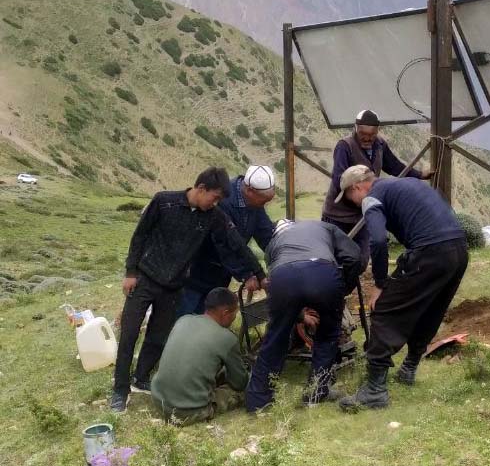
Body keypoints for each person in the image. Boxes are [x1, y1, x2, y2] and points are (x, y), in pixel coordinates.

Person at [110, 167, 263, 413]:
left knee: (158, 336)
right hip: (145, 279)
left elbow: (236, 245)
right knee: (129, 334)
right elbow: (139, 235)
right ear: (201, 189)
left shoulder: (213, 216)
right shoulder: (164, 201)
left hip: (174, 286)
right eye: (214, 197)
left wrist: (259, 274)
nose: (215, 204)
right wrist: (130, 272)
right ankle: (120, 390)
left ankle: (141, 378)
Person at [335, 165, 468, 411]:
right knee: (430, 309)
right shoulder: (406, 183)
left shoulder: (371, 197)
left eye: (350, 198)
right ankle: (408, 368)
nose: (353, 204)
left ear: (356, 188)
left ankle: (375, 390)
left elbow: (377, 240)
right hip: (458, 250)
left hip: (430, 251)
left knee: (384, 308)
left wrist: (380, 283)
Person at [244, 219, 362, 412]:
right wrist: (342, 288)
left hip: (284, 278)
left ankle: (258, 403)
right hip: (323, 274)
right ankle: (315, 395)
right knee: (327, 337)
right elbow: (354, 256)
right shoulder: (323, 227)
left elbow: (278, 283)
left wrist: (297, 314)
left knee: (275, 338)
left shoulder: (273, 245)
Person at [321, 109, 433, 269]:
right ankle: (335, 291)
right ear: (355, 128)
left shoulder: (380, 145)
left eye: (371, 134)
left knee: (360, 260)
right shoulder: (344, 146)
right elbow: (339, 178)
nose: (367, 138)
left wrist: (419, 175)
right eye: (362, 134)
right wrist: (358, 192)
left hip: (363, 214)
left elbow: (394, 166)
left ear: (377, 131)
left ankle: (343, 287)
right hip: (337, 216)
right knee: (333, 260)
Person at [178, 165, 276, 316]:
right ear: (250, 190)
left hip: (221, 276)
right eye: (263, 201)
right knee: (186, 317)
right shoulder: (224, 200)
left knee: (210, 319)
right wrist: (247, 274)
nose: (264, 205)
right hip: (197, 271)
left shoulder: (255, 203)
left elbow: (266, 235)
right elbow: (223, 245)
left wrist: (280, 256)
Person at [151, 288, 248, 426]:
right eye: (234, 313)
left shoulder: (183, 320)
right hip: (187, 413)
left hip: (159, 402)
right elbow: (239, 383)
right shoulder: (227, 338)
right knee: (239, 392)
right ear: (225, 313)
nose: (234, 318)